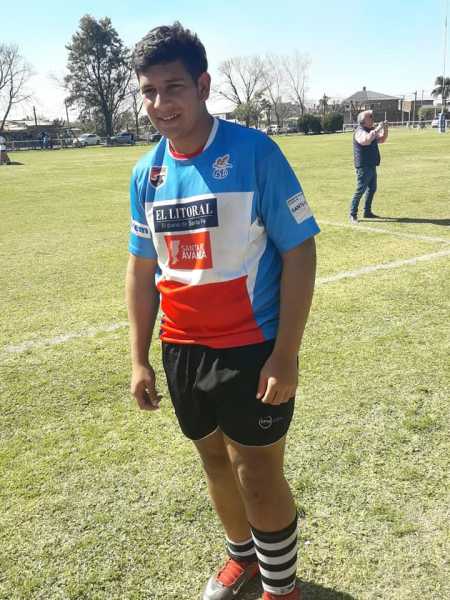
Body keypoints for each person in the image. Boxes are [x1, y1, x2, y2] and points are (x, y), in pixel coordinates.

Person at [126, 22, 320, 600]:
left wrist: (285, 354)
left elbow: (300, 250)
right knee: (213, 460)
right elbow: (142, 268)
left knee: (257, 471)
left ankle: (281, 589)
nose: (161, 103)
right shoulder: (146, 173)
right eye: (149, 91)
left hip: (251, 345)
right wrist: (139, 358)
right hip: (182, 346)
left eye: (174, 87)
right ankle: (244, 558)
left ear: (203, 85)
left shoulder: (255, 152)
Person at [349, 110, 388, 223]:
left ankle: (367, 211)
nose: (372, 118)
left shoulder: (371, 130)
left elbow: (382, 139)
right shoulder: (359, 131)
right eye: (370, 117)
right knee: (360, 190)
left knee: (372, 189)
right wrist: (378, 128)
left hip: (371, 164)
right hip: (363, 166)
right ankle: (352, 214)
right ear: (363, 121)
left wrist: (385, 129)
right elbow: (366, 140)